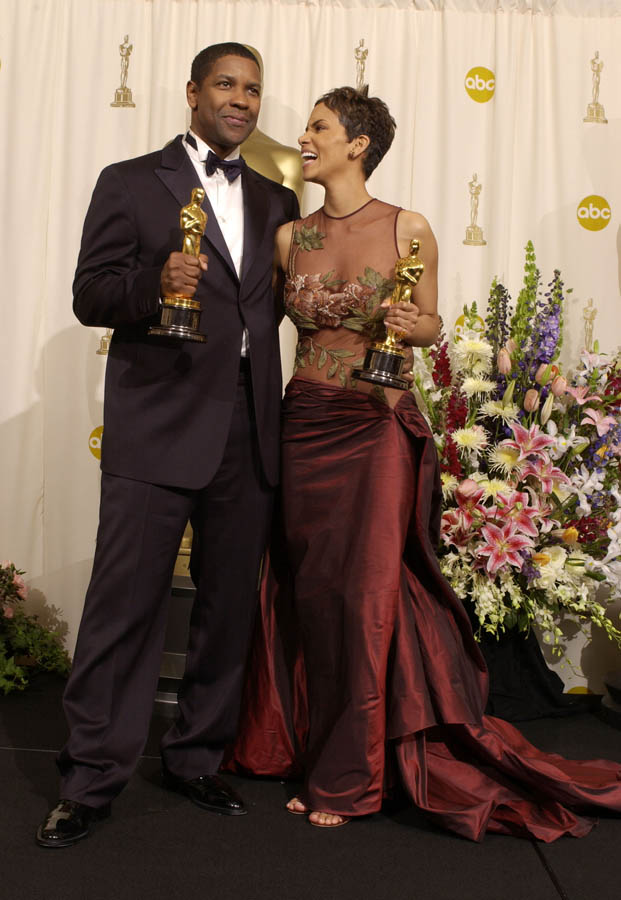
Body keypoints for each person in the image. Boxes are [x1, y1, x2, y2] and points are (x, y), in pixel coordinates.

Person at [227, 86, 621, 837]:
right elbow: (258, 328)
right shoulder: (289, 237)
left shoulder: (408, 227)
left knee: (365, 597)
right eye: (306, 127)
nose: (303, 137)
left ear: (358, 144)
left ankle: (350, 777)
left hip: (375, 428)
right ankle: (305, 746)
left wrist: (415, 323)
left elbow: (431, 323)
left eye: (317, 127)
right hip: (304, 424)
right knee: (312, 594)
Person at [36, 42, 299, 848]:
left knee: (226, 610)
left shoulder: (277, 201)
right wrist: (155, 288)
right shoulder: (128, 181)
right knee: (124, 609)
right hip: (157, 425)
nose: (241, 99)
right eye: (226, 84)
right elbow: (91, 293)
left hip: (248, 429)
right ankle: (90, 780)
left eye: (252, 89)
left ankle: (195, 757)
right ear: (192, 92)